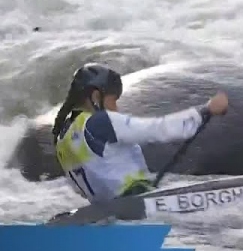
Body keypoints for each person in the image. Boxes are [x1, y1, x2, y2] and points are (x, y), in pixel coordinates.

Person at [51, 63, 229, 204]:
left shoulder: (62, 137)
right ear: (96, 97)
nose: (116, 108)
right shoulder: (99, 122)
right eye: (113, 101)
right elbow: (157, 129)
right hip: (136, 203)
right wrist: (204, 111)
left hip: (106, 211)